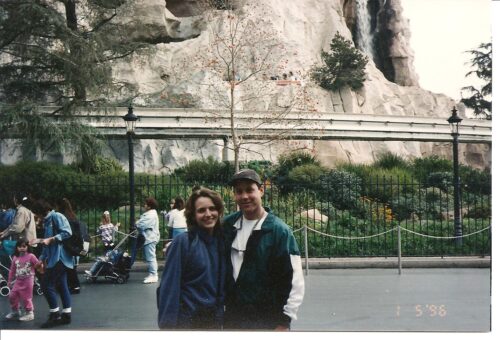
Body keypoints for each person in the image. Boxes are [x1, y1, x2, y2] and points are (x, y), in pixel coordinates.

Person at [223, 169, 305, 330]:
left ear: (261, 191)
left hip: (268, 321)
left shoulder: (279, 231)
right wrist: (179, 246)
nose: (244, 196)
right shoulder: (227, 225)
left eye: (249, 190)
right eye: (239, 191)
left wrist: (284, 321)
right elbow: (203, 240)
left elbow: (295, 280)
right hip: (233, 319)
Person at [157, 188, 225, 329]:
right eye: (201, 210)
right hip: (188, 322)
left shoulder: (222, 242)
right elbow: (169, 288)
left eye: (212, 209)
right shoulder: (183, 242)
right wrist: (167, 328)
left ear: (219, 211)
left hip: (214, 322)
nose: (208, 214)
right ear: (193, 215)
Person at [31, 198, 74, 328]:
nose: (36, 216)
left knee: (46, 284)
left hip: (60, 258)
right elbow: (46, 243)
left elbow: (67, 232)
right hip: (54, 258)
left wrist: (53, 239)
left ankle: (55, 314)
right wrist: (41, 259)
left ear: (41, 211)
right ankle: (66, 315)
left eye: (36, 213)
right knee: (62, 285)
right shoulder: (47, 221)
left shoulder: (57, 216)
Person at [56, 198, 88, 294]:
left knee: (64, 265)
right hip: (73, 244)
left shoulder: (61, 217)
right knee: (71, 266)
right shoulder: (72, 216)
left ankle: (69, 285)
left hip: (66, 244)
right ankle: (74, 285)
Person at [5, 239, 41, 321]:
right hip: (18, 280)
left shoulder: (31, 256)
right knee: (12, 296)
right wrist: (9, 281)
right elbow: (12, 270)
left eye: (24, 246)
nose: (22, 248)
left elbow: (37, 265)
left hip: (28, 280)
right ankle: (15, 311)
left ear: (27, 247)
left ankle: (30, 313)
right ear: (17, 247)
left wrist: (40, 265)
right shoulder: (15, 257)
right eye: (19, 246)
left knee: (26, 298)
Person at [135, 197, 160, 284]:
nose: (144, 205)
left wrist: (137, 223)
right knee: (150, 257)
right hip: (149, 237)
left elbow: (141, 224)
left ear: (149, 206)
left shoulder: (151, 215)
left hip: (150, 238)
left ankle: (154, 275)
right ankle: (152, 274)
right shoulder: (150, 214)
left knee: (151, 257)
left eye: (146, 204)